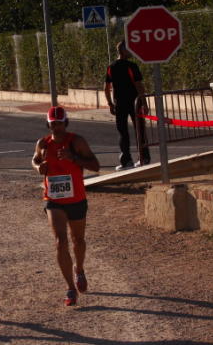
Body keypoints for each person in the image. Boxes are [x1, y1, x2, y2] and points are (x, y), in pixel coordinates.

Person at [32, 106, 100, 307]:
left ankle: (79, 269)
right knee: (60, 241)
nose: (57, 127)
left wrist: (74, 158)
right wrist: (38, 167)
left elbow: (96, 166)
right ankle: (70, 287)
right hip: (53, 199)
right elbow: (35, 159)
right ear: (48, 124)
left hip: (76, 198)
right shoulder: (43, 143)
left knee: (78, 240)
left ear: (66, 123)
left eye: (60, 123)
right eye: (53, 124)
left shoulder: (76, 142)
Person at [104, 41, 150, 170]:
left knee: (123, 132)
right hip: (135, 103)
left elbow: (106, 88)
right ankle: (144, 158)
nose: (131, 52)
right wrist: (144, 103)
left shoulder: (111, 67)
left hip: (119, 104)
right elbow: (139, 85)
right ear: (123, 51)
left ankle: (127, 161)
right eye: (129, 49)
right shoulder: (132, 66)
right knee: (139, 130)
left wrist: (110, 104)